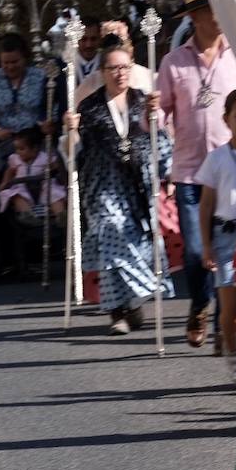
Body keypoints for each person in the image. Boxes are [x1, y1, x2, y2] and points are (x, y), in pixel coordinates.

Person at [159, 0, 236, 349]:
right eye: (214, 11)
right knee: (197, 252)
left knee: (228, 251)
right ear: (196, 17)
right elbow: (161, 111)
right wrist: (156, 115)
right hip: (190, 173)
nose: (220, 18)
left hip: (232, 170)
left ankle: (222, 322)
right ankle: (200, 303)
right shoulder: (173, 62)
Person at [66, 44, 172, 335]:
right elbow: (73, 157)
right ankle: (121, 309)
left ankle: (130, 307)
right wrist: (71, 131)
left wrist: (168, 171)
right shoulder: (88, 108)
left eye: (124, 67)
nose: (119, 73)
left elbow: (159, 141)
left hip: (137, 183)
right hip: (102, 184)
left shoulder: (143, 101)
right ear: (102, 72)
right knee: (111, 230)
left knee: (134, 243)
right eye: (113, 68)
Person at [194, 89, 236, 383]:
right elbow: (206, 203)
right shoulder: (217, 158)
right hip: (226, 236)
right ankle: (232, 352)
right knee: (231, 313)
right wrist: (206, 245)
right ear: (226, 120)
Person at [0, 33, 51, 167]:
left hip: (35, 142)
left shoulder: (40, 76)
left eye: (15, 62)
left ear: (24, 58)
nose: (10, 67)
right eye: (6, 63)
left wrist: (48, 123)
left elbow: (51, 104)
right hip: (2, 143)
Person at [73, 20, 153, 105]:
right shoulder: (90, 82)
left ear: (130, 47)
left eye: (121, 44)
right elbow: (77, 108)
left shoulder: (148, 77)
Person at [0, 127, 67, 221]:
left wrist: (52, 167)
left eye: (21, 149)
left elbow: (57, 165)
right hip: (22, 186)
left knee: (54, 193)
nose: (18, 152)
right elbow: (10, 171)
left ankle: (60, 214)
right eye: (16, 149)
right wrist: (5, 182)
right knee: (16, 195)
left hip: (44, 186)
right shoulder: (14, 159)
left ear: (34, 148)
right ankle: (27, 214)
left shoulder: (45, 157)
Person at [72, 15, 102, 86]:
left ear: (100, 39)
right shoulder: (64, 65)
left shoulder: (107, 64)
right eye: (84, 39)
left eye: (93, 39)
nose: (88, 45)